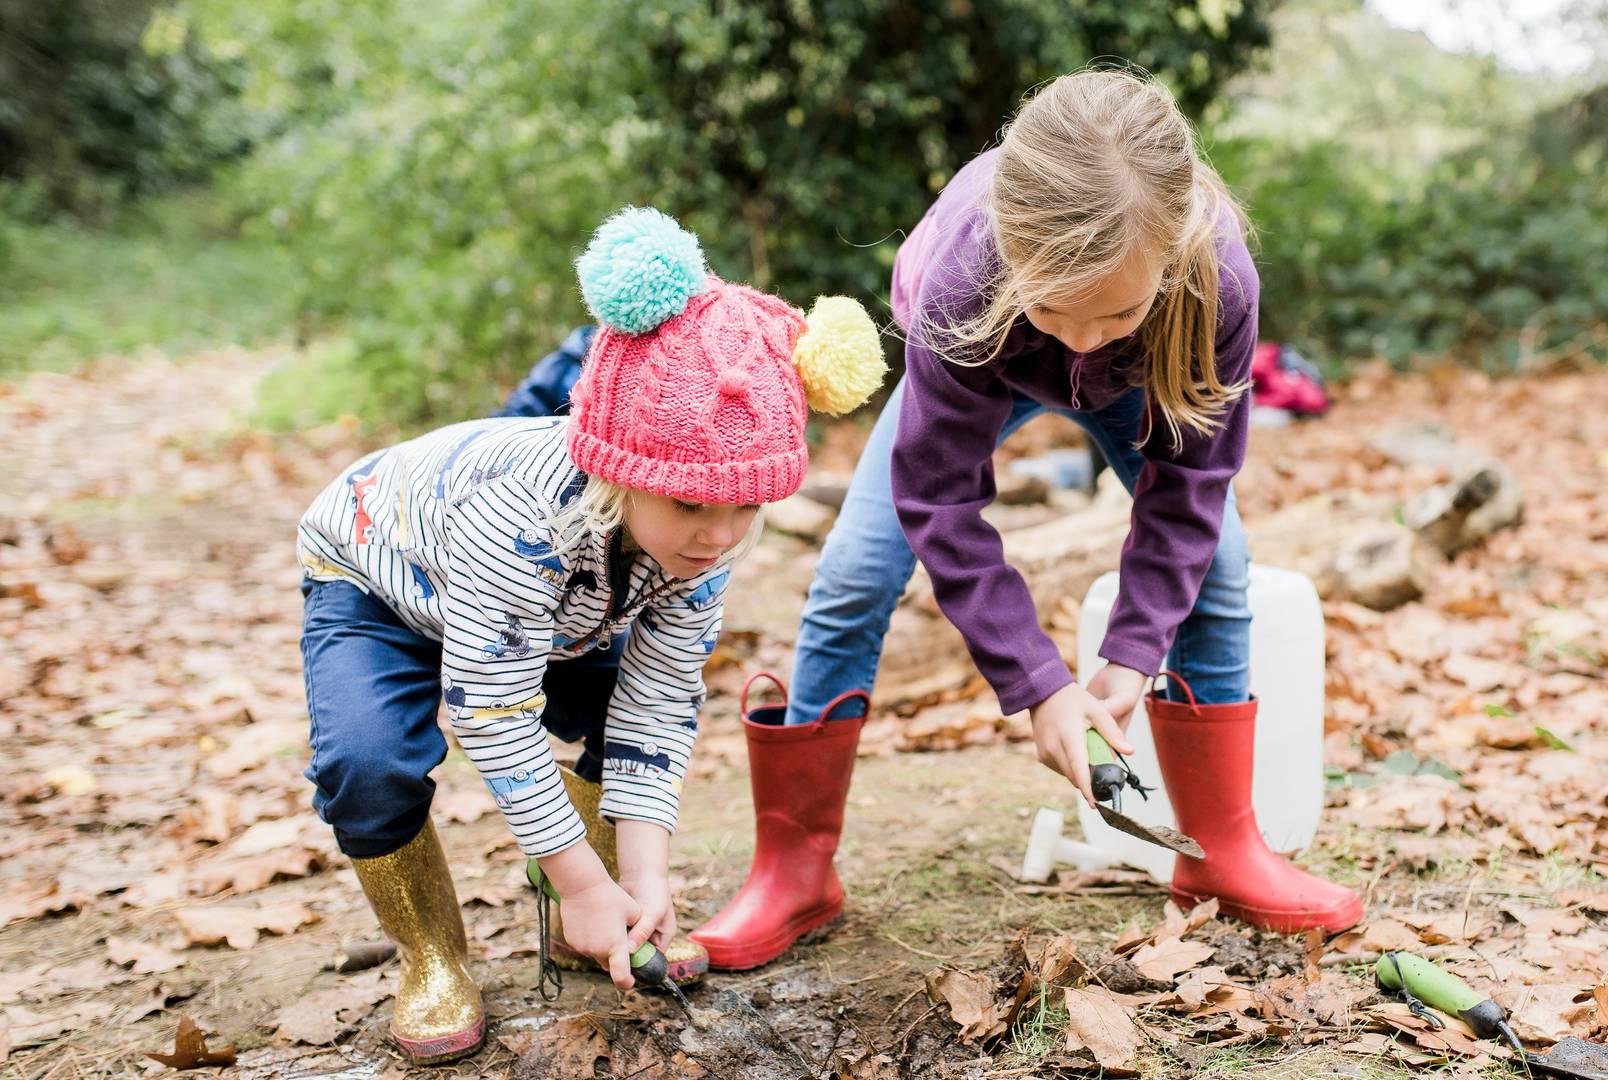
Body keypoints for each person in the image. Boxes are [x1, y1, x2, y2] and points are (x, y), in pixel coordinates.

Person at [688, 68, 1366, 974]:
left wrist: (1130, 653)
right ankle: (795, 866)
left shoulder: (1217, 284)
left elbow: (1192, 485)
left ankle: (1221, 854)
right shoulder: (965, 278)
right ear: (1016, 258)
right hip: (986, 354)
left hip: (1143, 380)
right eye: (1060, 309)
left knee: (1221, 566)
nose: (1083, 339)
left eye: (1116, 309)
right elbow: (939, 500)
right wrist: (1039, 683)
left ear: (1170, 261)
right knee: (853, 571)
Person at [295, 206, 884, 1062]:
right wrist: (577, 876)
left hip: (566, 594)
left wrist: (645, 880)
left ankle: (605, 910)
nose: (719, 537)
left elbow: (658, 704)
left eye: (745, 509)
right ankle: (433, 955)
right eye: (690, 506)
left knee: (619, 704)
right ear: (626, 473)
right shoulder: (519, 517)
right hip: (378, 577)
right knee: (367, 762)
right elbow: (493, 714)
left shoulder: (699, 537)